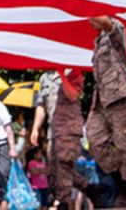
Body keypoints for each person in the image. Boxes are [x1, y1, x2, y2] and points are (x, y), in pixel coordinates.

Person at [25, 71, 81, 210]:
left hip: (69, 132)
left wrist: (62, 73)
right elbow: (41, 105)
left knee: (65, 170)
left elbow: (74, 95)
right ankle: (62, 201)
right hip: (53, 132)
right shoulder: (44, 77)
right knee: (55, 171)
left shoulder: (73, 72)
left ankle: (68, 203)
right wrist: (36, 128)